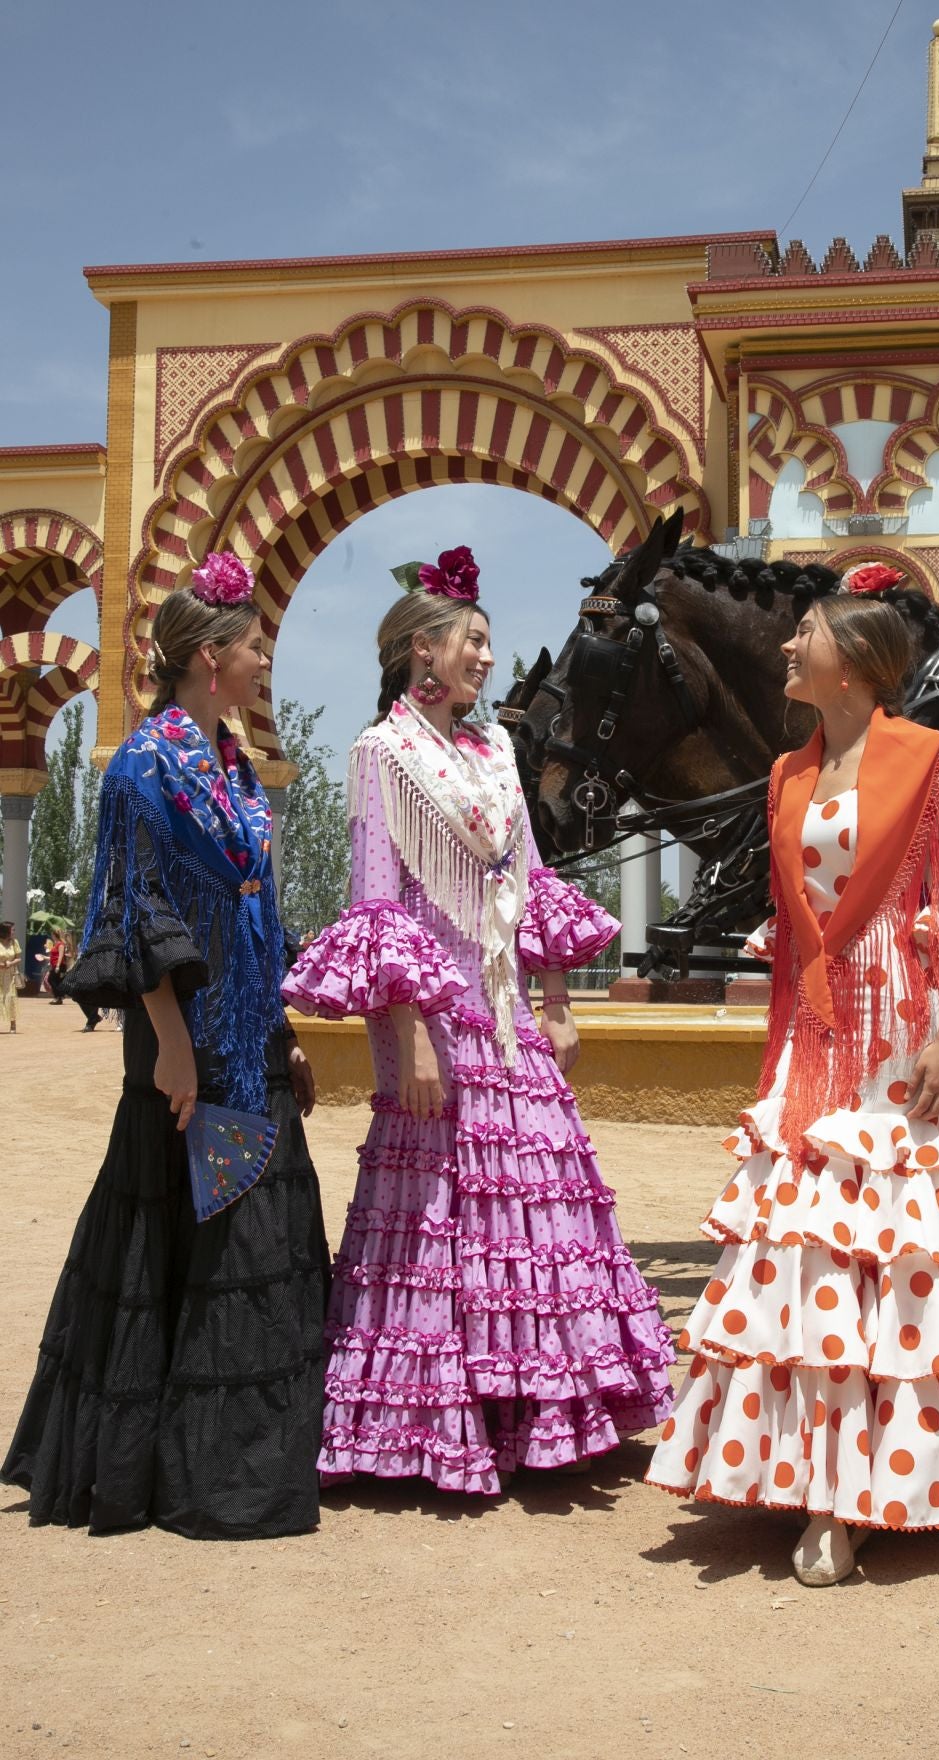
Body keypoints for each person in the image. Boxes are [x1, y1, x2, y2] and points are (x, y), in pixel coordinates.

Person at [646, 565, 939, 1587]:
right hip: (815, 1034)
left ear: (858, 667)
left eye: (804, 635)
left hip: (897, 1021)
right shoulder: (784, 775)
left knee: (891, 1248)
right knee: (806, 1249)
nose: (785, 648)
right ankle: (810, 1476)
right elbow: (789, 935)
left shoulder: (928, 759)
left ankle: (864, 1493)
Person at [284, 544, 673, 1492]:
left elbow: (530, 884)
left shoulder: (496, 748)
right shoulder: (383, 754)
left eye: (488, 644)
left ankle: (539, 1406)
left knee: (536, 1204)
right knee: (436, 1216)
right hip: (436, 1014)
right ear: (423, 649)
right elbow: (378, 901)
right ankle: (436, 1418)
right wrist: (408, 1028)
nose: (488, 660)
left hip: (504, 1012)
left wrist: (557, 1003)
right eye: (474, 642)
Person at [2, 553, 330, 1537]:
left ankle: (242, 1460)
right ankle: (166, 1474)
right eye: (249, 643)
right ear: (205, 656)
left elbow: (258, 909)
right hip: (183, 1057)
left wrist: (286, 1032)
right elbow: (133, 912)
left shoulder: (231, 765)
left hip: (253, 1046)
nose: (262, 657)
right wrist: (173, 1047)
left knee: (253, 1246)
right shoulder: (141, 766)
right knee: (171, 1244)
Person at [0, 920, 21, 1032]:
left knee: (11, 998)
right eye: (12, 930)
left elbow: (18, 958)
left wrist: (10, 963)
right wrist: (2, 965)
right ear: (5, 931)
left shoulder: (14, 942)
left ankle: (13, 1025)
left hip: (9, 975)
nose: (14, 932)